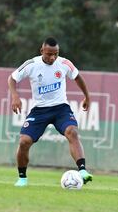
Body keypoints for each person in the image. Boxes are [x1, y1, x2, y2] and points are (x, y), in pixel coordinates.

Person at [8, 37, 93, 187]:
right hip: (39, 110)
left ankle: (82, 170)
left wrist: (87, 96)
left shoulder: (64, 63)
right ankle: (22, 178)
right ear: (42, 51)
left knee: (72, 131)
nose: (53, 57)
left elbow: (78, 77)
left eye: (56, 54)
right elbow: (12, 78)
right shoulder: (32, 64)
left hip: (61, 108)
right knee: (24, 142)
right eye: (49, 54)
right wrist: (15, 96)